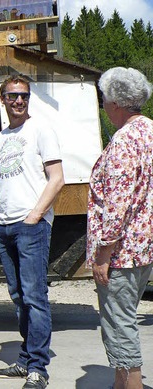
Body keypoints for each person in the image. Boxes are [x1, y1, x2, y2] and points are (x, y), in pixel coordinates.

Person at [0, 75, 64, 389]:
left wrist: (35, 215)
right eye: (12, 96)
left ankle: (38, 369)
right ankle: (24, 360)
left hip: (30, 227)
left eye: (23, 96)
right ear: (3, 99)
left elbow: (57, 178)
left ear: (28, 98)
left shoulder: (41, 128)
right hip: (4, 226)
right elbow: (8, 180)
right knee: (20, 298)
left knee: (35, 298)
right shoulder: (1, 137)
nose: (18, 101)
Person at [87, 67, 153, 389]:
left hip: (122, 253)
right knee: (122, 319)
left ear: (115, 102)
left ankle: (133, 385)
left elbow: (117, 204)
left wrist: (103, 254)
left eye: (103, 99)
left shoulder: (125, 141)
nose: (102, 105)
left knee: (119, 324)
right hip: (143, 248)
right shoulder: (150, 131)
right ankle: (119, 384)